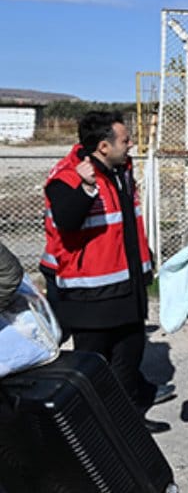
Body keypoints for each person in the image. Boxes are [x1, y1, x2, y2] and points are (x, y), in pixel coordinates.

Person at [40, 110, 172, 433]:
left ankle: (129, 424)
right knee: (93, 365)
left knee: (128, 357)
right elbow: (68, 222)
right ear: (102, 146)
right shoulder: (68, 176)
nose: (131, 145)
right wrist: (85, 188)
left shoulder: (120, 170)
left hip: (127, 288)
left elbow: (125, 224)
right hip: (91, 295)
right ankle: (88, 432)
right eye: (125, 140)